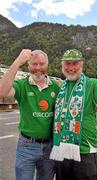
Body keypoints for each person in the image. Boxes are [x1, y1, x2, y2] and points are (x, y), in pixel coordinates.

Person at [50, 48, 97, 180]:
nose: (71, 67)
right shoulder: (60, 87)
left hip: (84, 152)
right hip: (60, 151)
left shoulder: (92, 84)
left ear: (81, 64)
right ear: (62, 65)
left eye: (75, 63)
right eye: (67, 63)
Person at [0, 49, 60, 180]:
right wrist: (17, 62)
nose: (38, 68)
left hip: (50, 146)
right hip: (27, 146)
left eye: (42, 64)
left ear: (47, 65)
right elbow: (2, 92)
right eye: (34, 64)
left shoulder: (56, 87)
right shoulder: (22, 85)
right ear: (28, 65)